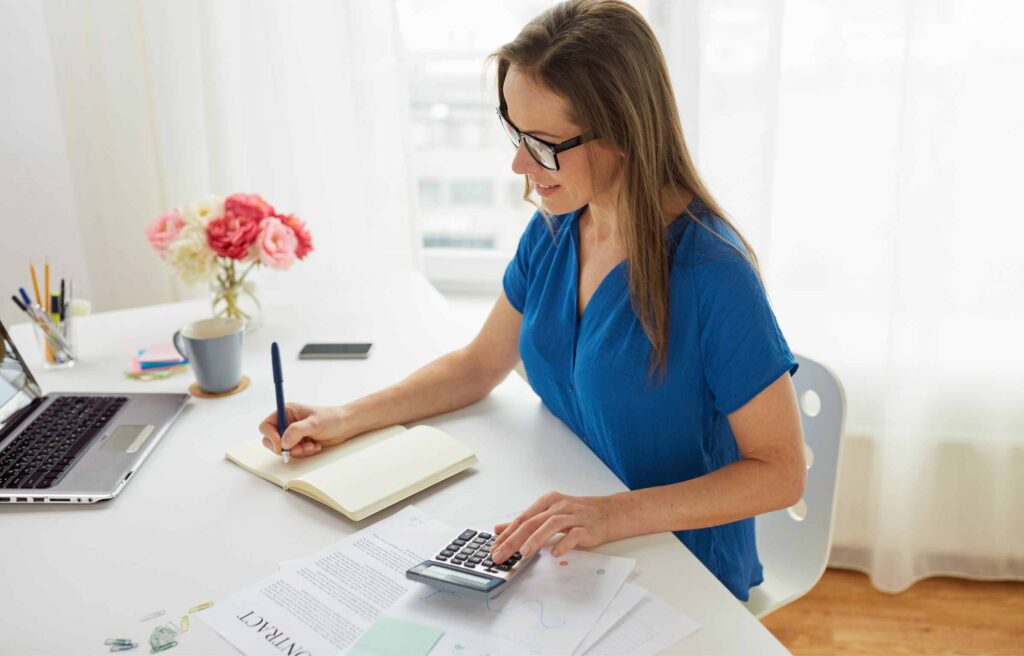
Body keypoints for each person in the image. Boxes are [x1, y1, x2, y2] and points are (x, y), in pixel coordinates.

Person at [259, 0, 805, 602]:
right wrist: (342, 419)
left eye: (542, 143)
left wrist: (611, 515)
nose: (518, 163)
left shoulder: (713, 274)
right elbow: (477, 365)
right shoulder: (558, 226)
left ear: (622, 131)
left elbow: (781, 473)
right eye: (514, 133)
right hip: (571, 543)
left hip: (676, 565)